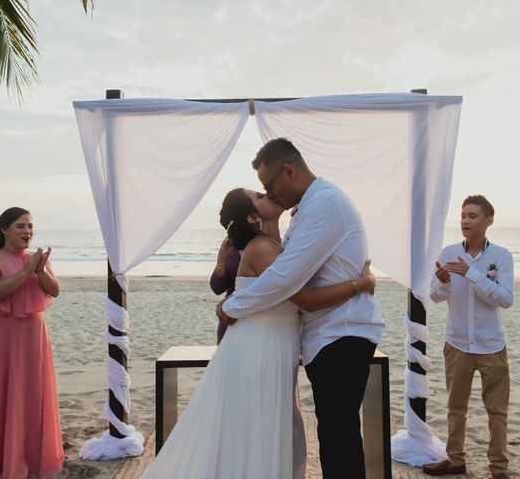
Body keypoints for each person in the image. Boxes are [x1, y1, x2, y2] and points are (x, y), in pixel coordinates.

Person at [141, 187, 376, 479]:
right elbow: (308, 299)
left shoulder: (280, 245)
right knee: (259, 432)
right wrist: (360, 285)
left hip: (275, 345)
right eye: (260, 197)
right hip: (258, 348)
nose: (268, 194)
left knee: (270, 431)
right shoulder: (262, 249)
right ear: (253, 217)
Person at [217, 138, 384, 479]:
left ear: (289, 171)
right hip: (328, 336)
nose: (269, 192)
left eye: (268, 185)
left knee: (339, 439)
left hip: (342, 333)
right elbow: (291, 278)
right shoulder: (307, 209)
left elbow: (286, 277)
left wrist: (234, 304)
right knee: (336, 437)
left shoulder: (324, 205)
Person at [0, 207, 64, 479]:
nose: (27, 231)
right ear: (4, 229)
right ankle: (3, 459)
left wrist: (39, 271)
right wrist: (25, 271)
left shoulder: (37, 258)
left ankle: (33, 456)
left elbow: (54, 290)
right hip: (4, 336)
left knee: (33, 394)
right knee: (5, 394)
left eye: (30, 226)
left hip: (35, 335)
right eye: (20, 226)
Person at [422, 195, 513, 479]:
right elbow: (435, 296)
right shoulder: (448, 251)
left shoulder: (501, 256)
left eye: (472, 216)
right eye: (463, 215)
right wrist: (444, 282)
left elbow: (505, 299)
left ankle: (498, 468)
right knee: (455, 408)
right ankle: (455, 459)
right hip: (457, 343)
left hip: (491, 346)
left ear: (489, 222)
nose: (465, 221)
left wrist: (472, 274)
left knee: (496, 412)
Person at [209, 237, 240, 344]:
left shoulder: (266, 244)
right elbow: (217, 288)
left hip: (256, 315)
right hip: (228, 317)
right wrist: (221, 258)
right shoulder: (231, 246)